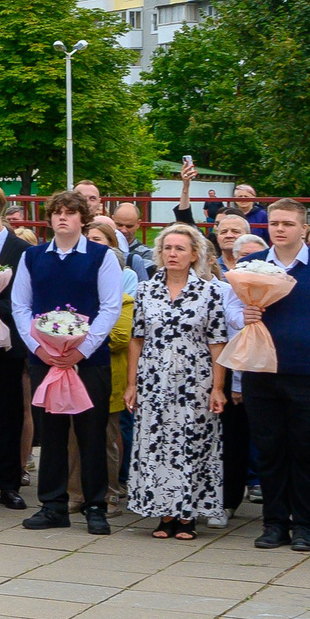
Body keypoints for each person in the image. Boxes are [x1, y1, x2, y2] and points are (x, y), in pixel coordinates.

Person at [237, 199, 310, 554]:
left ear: (304, 227)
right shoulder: (250, 265)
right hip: (262, 369)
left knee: (307, 449)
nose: (279, 229)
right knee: (270, 449)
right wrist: (243, 314)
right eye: (274, 223)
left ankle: (304, 524)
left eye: (287, 223)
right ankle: (274, 523)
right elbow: (230, 312)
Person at [10, 189, 126, 534]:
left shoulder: (101, 256)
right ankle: (53, 504)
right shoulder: (32, 257)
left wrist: (82, 349)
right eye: (57, 212)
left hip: (88, 361)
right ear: (50, 219)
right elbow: (20, 305)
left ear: (82, 218)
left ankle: (95, 506)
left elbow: (109, 307)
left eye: (70, 213)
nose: (63, 217)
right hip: (44, 358)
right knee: (53, 433)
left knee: (91, 433)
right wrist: (39, 347)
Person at [123, 225, 231, 541]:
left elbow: (217, 341)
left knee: (191, 444)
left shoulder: (210, 292)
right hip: (154, 379)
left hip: (195, 380)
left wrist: (218, 387)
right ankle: (165, 513)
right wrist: (132, 383)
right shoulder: (145, 290)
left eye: (180, 248)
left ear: (194, 255)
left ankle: (187, 516)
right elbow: (136, 339)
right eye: (168, 248)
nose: (172, 253)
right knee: (158, 446)